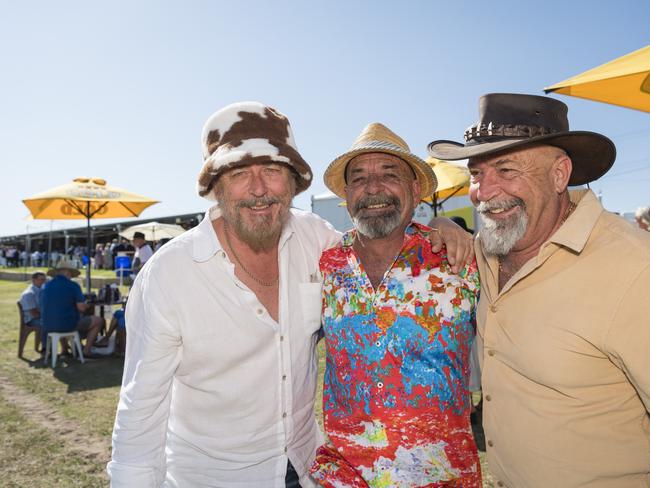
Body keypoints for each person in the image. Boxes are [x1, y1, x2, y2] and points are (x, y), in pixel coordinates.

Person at [108, 102, 472, 487]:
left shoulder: (316, 240)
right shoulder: (169, 275)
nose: (259, 189)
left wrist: (441, 224)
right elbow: (140, 411)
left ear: (293, 181)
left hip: (308, 467)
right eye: (239, 173)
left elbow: (378, 239)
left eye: (272, 170)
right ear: (215, 187)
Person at [428, 93, 650, 487]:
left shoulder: (635, 269)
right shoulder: (486, 251)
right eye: (476, 174)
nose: (484, 191)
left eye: (506, 169)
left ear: (559, 174)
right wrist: (442, 226)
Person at [310, 123, 481, 487]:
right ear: (346, 193)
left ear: (415, 190)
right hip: (344, 477)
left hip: (443, 478)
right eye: (359, 179)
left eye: (390, 175)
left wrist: (445, 222)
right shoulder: (325, 266)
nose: (373, 188)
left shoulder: (458, 259)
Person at [40, 257, 105, 357]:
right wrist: (87, 305)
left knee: (61, 316)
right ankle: (87, 351)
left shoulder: (45, 286)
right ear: (67, 272)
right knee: (98, 321)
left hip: (47, 324)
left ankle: (65, 349)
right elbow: (81, 308)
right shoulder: (72, 286)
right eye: (70, 274)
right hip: (66, 324)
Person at [20, 271, 47, 338]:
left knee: (59, 322)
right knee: (51, 324)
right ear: (33, 280)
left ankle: (64, 346)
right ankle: (46, 347)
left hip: (39, 317)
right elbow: (34, 314)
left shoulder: (41, 290)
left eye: (44, 279)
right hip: (31, 320)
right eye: (41, 279)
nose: (44, 282)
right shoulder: (29, 294)